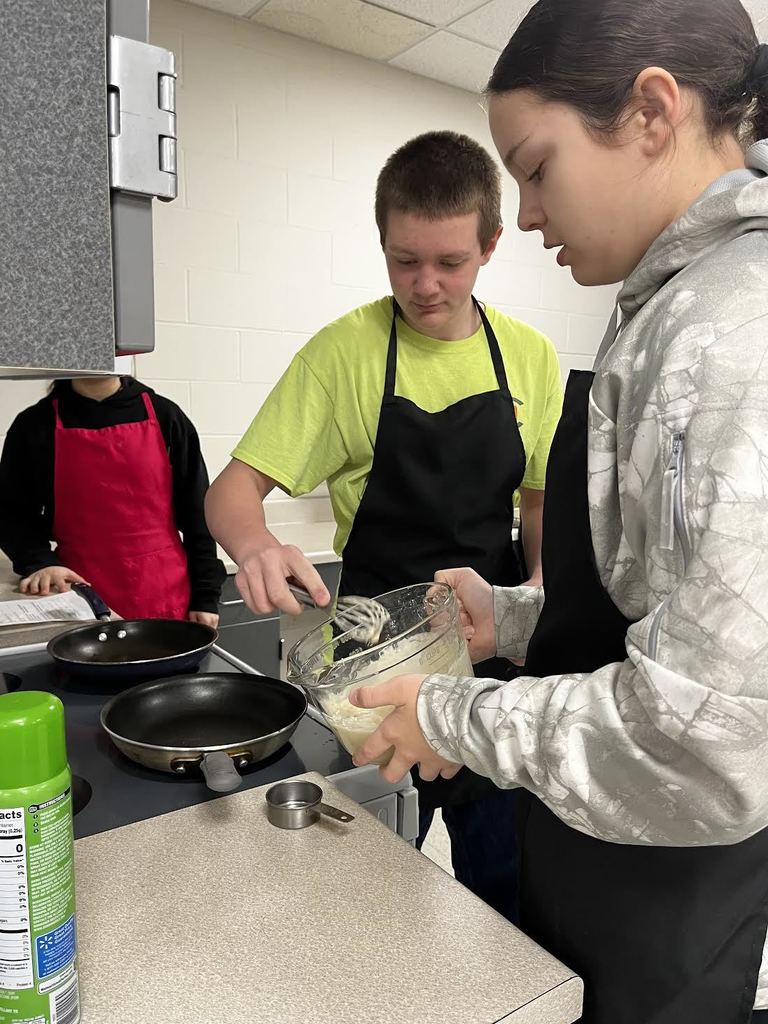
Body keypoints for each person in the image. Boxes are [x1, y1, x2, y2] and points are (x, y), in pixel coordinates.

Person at [347, 3, 768, 1022]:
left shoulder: (728, 334)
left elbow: (705, 740)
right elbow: (659, 599)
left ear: (652, 113)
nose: (525, 214)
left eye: (535, 167)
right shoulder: (667, 304)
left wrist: (449, 713)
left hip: (665, 885)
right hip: (597, 850)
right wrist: (513, 615)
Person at [205, 131, 563, 922]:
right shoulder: (345, 354)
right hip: (369, 676)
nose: (426, 284)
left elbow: (536, 500)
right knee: (361, 898)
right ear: (382, 243)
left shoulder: (531, 358)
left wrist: (536, 590)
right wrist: (255, 543)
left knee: (504, 894)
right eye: (405, 261)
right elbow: (231, 492)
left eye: (449, 263)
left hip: (489, 675)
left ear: (490, 246)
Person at [0, 375, 225, 625]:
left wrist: (205, 595)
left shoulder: (165, 415)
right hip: (78, 595)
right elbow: (12, 513)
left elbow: (199, 513)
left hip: (167, 594)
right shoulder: (34, 424)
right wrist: (40, 563)